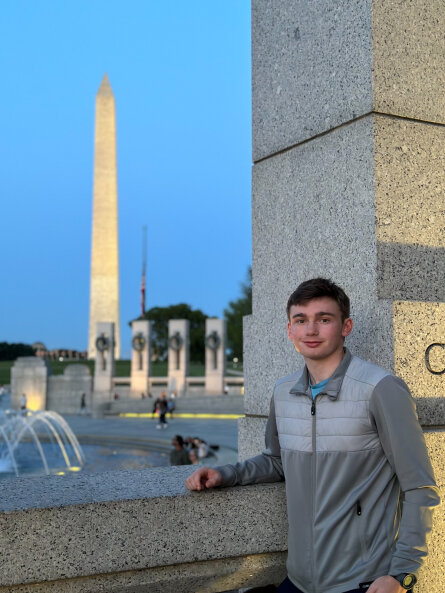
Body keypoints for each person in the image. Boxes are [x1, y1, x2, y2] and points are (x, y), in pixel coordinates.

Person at [186, 278, 440, 593]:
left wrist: (402, 575)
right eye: (301, 320)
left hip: (363, 582)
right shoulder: (283, 391)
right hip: (299, 580)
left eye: (324, 319)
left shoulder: (380, 389)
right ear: (290, 330)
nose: (311, 330)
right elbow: (277, 461)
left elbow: (420, 488)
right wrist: (226, 473)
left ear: (345, 326)